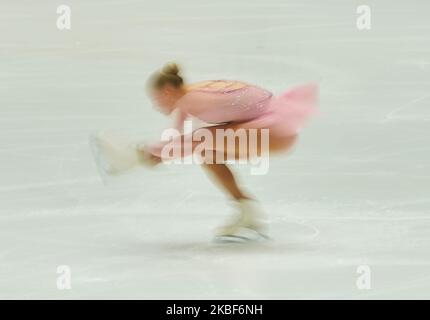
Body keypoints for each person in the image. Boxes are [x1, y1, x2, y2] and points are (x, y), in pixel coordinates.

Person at [140, 62, 317, 238]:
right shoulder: (188, 96)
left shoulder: (193, 99)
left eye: (156, 99)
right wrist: (160, 153)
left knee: (202, 139)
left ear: (168, 91)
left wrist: (148, 152)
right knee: (207, 152)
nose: (156, 106)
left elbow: (189, 142)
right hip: (273, 128)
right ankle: (247, 210)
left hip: (275, 129)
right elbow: (176, 140)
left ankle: (248, 211)